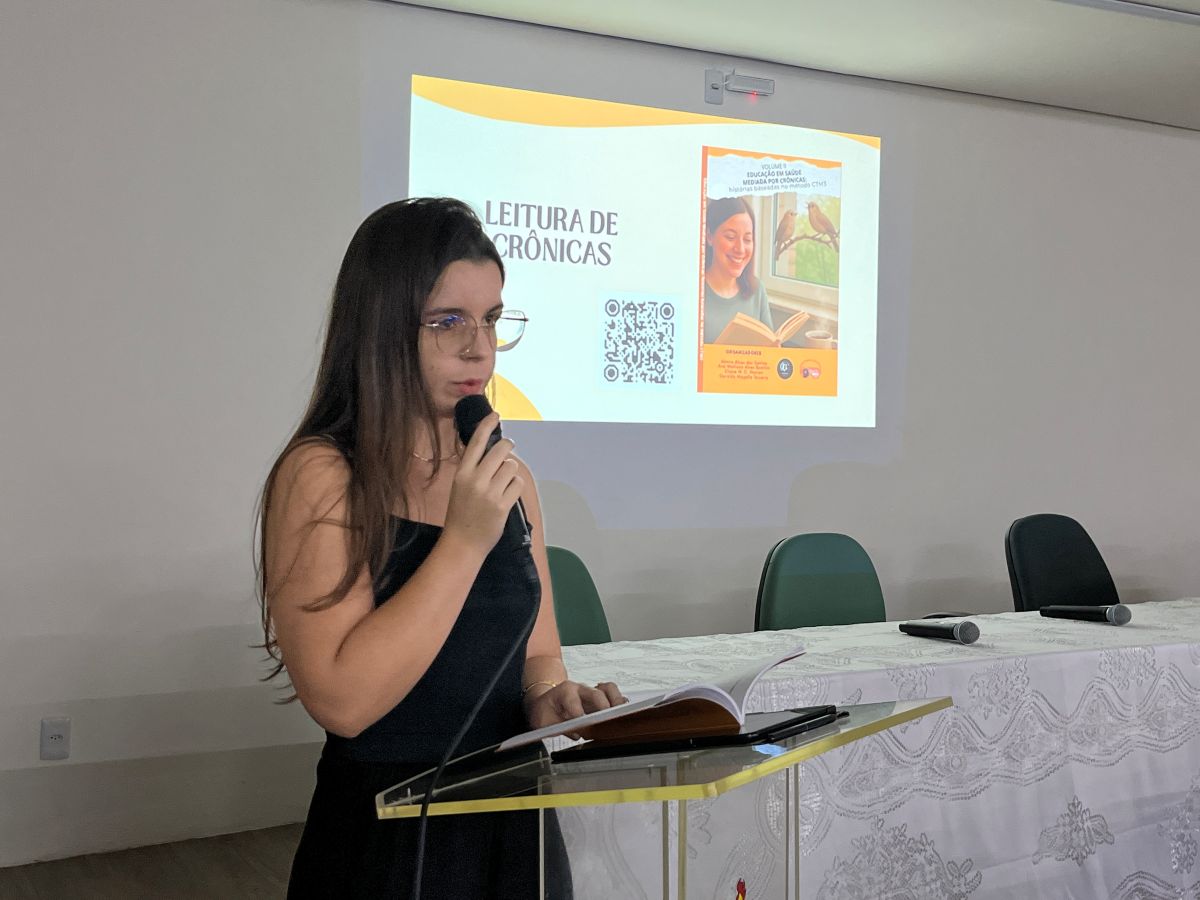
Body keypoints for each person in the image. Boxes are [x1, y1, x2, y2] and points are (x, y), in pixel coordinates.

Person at [257, 198, 624, 898]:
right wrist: (463, 541)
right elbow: (342, 701)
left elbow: (538, 653)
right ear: (381, 328)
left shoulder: (505, 477)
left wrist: (551, 698)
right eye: (448, 321)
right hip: (390, 840)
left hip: (513, 825)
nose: (478, 348)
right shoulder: (323, 475)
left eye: (491, 319)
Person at [702, 196, 775, 344]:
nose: (740, 249)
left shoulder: (757, 290)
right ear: (709, 236)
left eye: (747, 239)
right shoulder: (693, 292)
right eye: (730, 237)